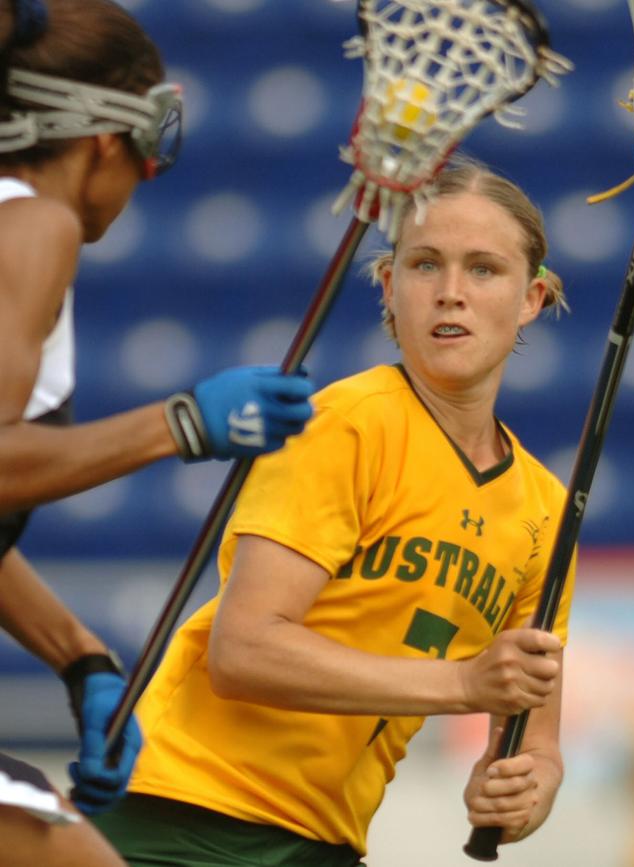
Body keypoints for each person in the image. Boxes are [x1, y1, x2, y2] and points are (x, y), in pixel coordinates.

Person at [91, 159, 577, 867]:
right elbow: (244, 650)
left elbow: (536, 738)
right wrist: (462, 683)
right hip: (180, 812)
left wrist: (532, 787)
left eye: (483, 270)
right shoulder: (344, 424)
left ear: (531, 297)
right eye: (423, 264)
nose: (450, 294)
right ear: (388, 285)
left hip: (324, 837)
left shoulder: (545, 507)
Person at [0, 0, 314, 864]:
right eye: (154, 143)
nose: (148, 177)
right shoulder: (35, 225)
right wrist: (182, 423)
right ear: (106, 138)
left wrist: (82, 659)